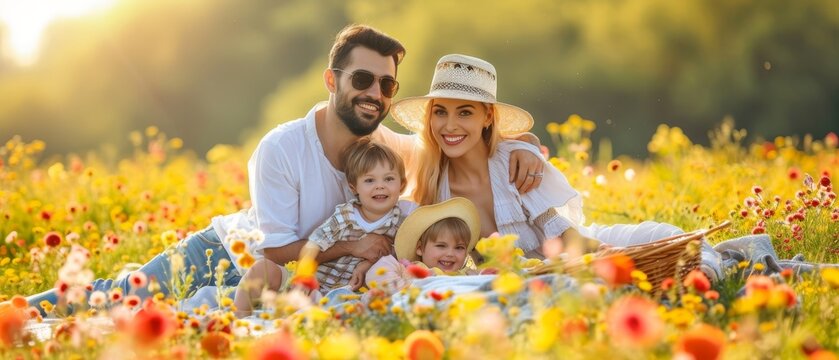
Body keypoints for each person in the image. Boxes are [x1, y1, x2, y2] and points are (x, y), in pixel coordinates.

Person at [24, 26, 545, 316]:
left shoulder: (389, 148)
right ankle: (20, 310)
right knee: (106, 299)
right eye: (362, 79)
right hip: (225, 255)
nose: (375, 94)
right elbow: (273, 250)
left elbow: (454, 140)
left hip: (295, 284)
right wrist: (351, 249)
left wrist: (526, 145)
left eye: (387, 85)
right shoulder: (282, 148)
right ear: (331, 80)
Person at [390, 54, 724, 278]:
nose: (449, 126)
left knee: (665, 236)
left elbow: (561, 234)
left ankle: (708, 272)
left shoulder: (511, 162)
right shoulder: (434, 186)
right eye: (440, 112)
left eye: (465, 112)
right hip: (528, 279)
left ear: (487, 117)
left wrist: (602, 254)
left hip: (575, 250)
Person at [233, 138, 417, 316]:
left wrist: (367, 264)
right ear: (354, 188)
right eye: (370, 181)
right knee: (263, 269)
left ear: (402, 185)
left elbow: (398, 259)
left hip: (348, 292)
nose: (380, 186)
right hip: (312, 282)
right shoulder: (345, 215)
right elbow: (314, 245)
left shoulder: (400, 223)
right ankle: (240, 317)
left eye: (388, 179)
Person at [365, 197, 481, 292]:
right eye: (441, 246)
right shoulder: (411, 270)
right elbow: (375, 275)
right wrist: (411, 287)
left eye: (459, 248)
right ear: (420, 248)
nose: (450, 253)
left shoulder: (466, 275)